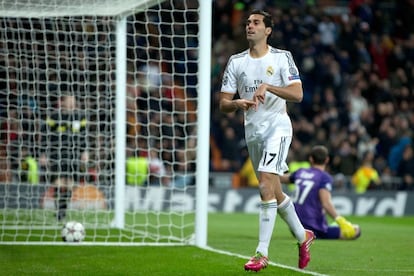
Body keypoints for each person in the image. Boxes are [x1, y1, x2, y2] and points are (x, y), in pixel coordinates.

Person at [219, 9, 315, 272]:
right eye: (248, 22)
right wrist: (236, 103)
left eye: (256, 22)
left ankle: (261, 253)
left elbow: (297, 94)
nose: (250, 26)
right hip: (253, 132)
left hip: (278, 127)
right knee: (274, 190)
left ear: (268, 30)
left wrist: (269, 86)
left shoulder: (283, 58)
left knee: (263, 183)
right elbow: (223, 103)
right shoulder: (236, 62)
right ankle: (303, 235)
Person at [280, 145, 361, 240]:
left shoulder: (300, 172)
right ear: (327, 160)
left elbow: (280, 178)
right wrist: (340, 220)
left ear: (311, 159)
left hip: (295, 227)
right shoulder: (324, 177)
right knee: (356, 230)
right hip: (314, 228)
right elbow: (326, 203)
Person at [39, 94, 89, 221]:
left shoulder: (80, 117)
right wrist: (43, 153)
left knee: (70, 184)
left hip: (74, 155)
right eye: (70, 100)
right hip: (57, 154)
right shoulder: (54, 116)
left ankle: (63, 210)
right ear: (63, 101)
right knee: (58, 183)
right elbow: (45, 135)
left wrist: (85, 152)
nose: (72, 102)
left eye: (74, 100)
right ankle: (60, 211)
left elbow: (84, 136)